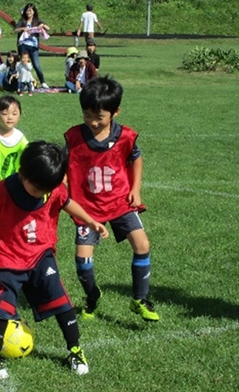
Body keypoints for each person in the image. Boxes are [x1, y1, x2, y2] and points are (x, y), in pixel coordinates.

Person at [0, 141, 110, 379]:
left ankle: (75, 350)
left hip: (41, 254)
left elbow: (67, 203)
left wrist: (90, 221)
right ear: (22, 173)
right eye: (37, 188)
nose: (41, 193)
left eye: (45, 190)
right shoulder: (4, 189)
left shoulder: (54, 189)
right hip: (9, 257)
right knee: (2, 307)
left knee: (61, 300)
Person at [64, 76, 160, 322]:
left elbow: (136, 158)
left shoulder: (126, 136)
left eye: (99, 117)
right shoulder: (74, 137)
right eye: (87, 115)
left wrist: (136, 188)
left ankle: (140, 299)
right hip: (87, 206)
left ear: (115, 112)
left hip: (119, 201)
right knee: (83, 259)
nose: (93, 122)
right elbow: (65, 165)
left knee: (142, 245)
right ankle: (92, 296)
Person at [15, 3, 50, 89]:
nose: (28, 12)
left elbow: (48, 28)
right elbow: (15, 30)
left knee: (36, 65)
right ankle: (23, 83)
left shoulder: (37, 20)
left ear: (34, 12)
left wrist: (42, 25)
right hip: (23, 45)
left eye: (30, 10)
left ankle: (43, 82)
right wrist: (23, 29)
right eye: (27, 10)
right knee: (24, 64)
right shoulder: (22, 20)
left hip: (34, 46)